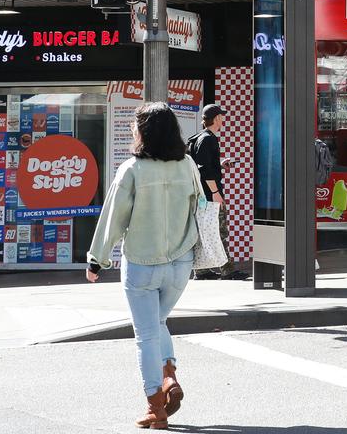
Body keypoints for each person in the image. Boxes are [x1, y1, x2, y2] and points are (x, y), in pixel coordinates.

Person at [86, 102, 202, 430]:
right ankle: (169, 378)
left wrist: (97, 260)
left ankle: (156, 406)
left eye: (136, 125)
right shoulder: (188, 165)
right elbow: (199, 205)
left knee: (147, 334)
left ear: (145, 132)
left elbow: (113, 218)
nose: (131, 131)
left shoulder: (132, 170)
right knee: (159, 321)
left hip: (142, 264)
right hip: (181, 262)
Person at [187, 104, 245, 280]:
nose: (223, 119)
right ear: (217, 118)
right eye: (221, 116)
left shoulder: (197, 138)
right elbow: (204, 170)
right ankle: (227, 270)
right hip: (209, 194)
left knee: (203, 230)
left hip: (199, 195)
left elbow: (199, 166)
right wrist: (215, 193)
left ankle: (201, 270)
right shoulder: (208, 139)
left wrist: (220, 165)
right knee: (219, 230)